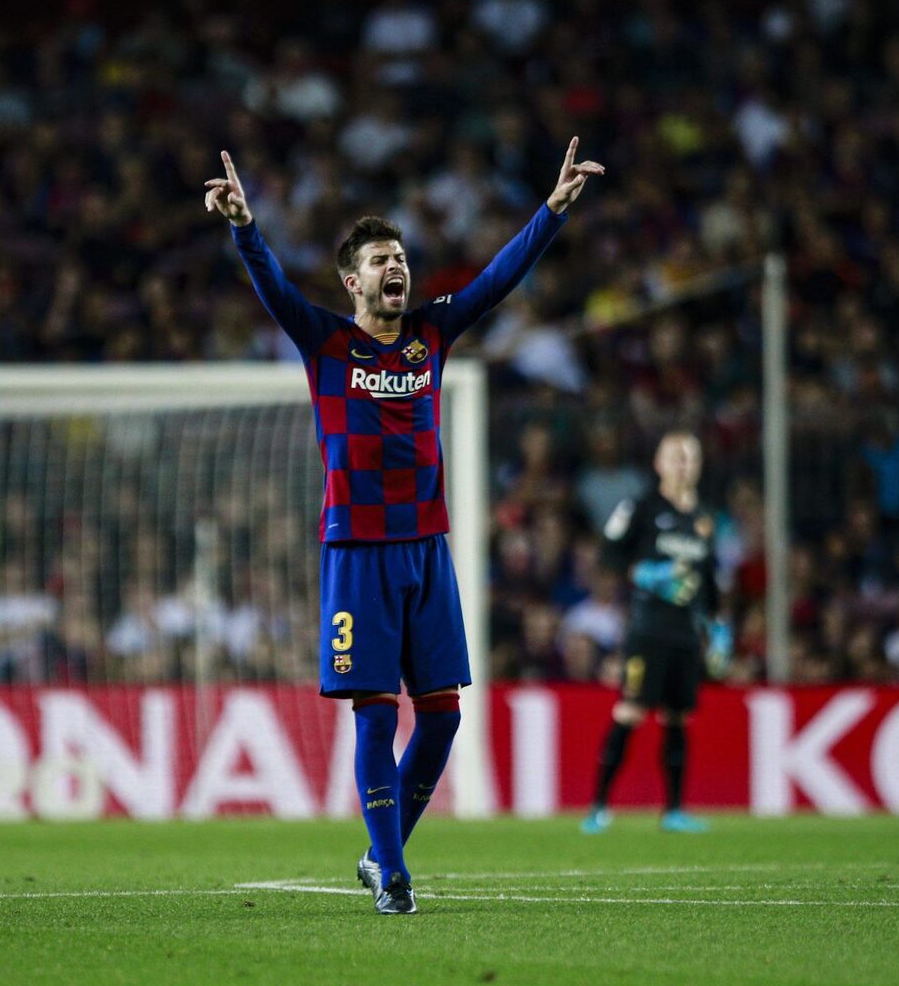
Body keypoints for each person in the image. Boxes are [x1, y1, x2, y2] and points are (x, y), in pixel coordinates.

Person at [204, 139, 604, 913]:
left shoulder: (431, 335)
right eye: (380, 260)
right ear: (352, 281)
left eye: (401, 258)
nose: (397, 267)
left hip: (427, 550)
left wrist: (552, 210)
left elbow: (497, 280)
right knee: (375, 714)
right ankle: (392, 875)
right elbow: (273, 286)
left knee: (444, 719)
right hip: (359, 554)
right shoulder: (327, 342)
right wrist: (244, 226)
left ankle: (379, 853)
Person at [581, 429, 731, 835]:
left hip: (686, 633)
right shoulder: (642, 507)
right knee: (630, 710)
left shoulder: (704, 518)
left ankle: (674, 810)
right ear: (659, 464)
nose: (684, 465)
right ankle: (598, 806)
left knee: (678, 716)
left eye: (691, 458)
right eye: (676, 457)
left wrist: (718, 625)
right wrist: (643, 573)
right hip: (647, 629)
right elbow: (610, 554)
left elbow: (708, 577)